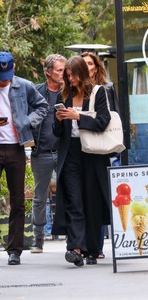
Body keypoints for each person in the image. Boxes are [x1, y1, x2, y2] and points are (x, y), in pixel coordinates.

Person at [0, 51, 49, 266]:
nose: (5, 79)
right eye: (1, 75)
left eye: (9, 74)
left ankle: (15, 250)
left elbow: (42, 106)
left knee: (18, 200)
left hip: (16, 148)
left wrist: (26, 122)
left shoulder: (24, 85)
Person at [51, 55, 111, 266]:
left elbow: (103, 122)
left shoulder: (98, 92)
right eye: (68, 75)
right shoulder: (64, 94)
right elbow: (57, 132)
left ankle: (92, 249)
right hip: (71, 153)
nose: (71, 79)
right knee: (74, 201)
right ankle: (75, 248)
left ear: (83, 74)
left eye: (73, 75)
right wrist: (59, 120)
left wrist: (78, 117)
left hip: (93, 154)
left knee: (92, 201)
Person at [81, 51, 121, 258]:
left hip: (101, 148)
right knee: (88, 197)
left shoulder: (106, 89)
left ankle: (97, 245)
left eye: (90, 63)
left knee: (100, 196)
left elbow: (111, 117)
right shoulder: (77, 89)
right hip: (82, 149)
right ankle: (90, 245)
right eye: (84, 63)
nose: (87, 67)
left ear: (96, 67)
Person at [30, 54, 66, 253]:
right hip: (41, 152)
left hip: (64, 151)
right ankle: (37, 239)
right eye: (59, 70)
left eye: (63, 70)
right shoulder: (36, 92)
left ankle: (72, 239)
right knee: (39, 197)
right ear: (48, 72)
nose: (62, 74)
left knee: (69, 193)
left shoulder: (68, 91)